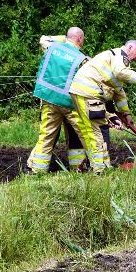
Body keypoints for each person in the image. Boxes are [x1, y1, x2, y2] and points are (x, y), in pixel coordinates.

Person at [69, 40, 136, 172]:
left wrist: (126, 115)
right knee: (96, 132)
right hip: (89, 93)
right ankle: (99, 169)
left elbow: (119, 92)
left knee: (88, 132)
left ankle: (100, 165)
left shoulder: (114, 57)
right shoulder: (121, 57)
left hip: (81, 91)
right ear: (130, 47)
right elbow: (121, 73)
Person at [27, 27, 88, 173]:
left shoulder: (52, 46)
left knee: (47, 135)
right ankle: (79, 167)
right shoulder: (81, 58)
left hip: (48, 100)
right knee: (80, 133)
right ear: (79, 39)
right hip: (69, 103)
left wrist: (65, 39)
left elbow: (43, 38)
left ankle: (37, 169)